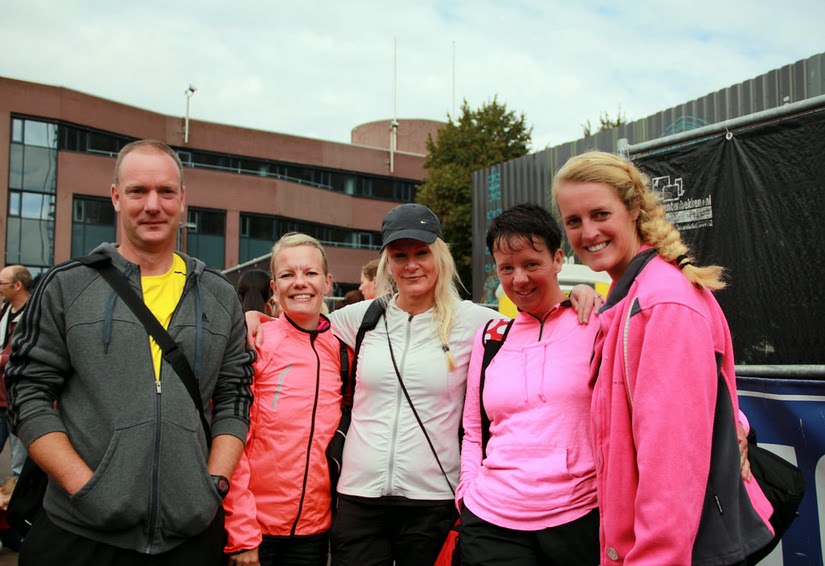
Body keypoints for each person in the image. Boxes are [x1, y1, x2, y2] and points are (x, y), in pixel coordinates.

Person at [246, 204, 599, 566]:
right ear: (388, 263)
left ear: (438, 256)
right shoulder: (361, 318)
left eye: (421, 253)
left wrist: (578, 295)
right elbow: (302, 327)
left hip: (433, 499)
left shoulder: (477, 321)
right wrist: (255, 319)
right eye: (400, 256)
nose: (411, 264)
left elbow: (534, 318)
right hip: (358, 497)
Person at [5, 139, 255, 566]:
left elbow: (234, 396)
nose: (153, 205)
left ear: (183, 200)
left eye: (166, 192)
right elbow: (27, 393)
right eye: (138, 191)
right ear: (117, 197)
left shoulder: (219, 295)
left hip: (189, 534)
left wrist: (212, 483)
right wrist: (85, 487)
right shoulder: (67, 286)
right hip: (79, 532)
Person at [552, 151, 774, 565]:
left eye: (601, 213)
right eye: (574, 221)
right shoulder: (634, 296)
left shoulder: (662, 303)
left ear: (634, 208)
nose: (588, 232)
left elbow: (671, 466)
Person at [458, 203, 600, 566]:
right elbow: (474, 430)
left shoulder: (596, 322)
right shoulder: (491, 337)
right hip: (491, 520)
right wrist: (468, 491)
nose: (519, 279)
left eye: (531, 264)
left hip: (580, 516)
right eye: (507, 268)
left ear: (557, 259)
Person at [224, 233, 345, 566]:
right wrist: (242, 531)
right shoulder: (255, 344)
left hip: (315, 534)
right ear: (274, 289)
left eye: (310, 273)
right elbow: (231, 441)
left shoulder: (341, 349)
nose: (300, 283)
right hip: (256, 532)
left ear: (327, 282)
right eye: (288, 275)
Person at [0, 265, 33, 476]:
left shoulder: (34, 313)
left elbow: (26, 352)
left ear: (17, 285)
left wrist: (2, 358)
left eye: (2, 284)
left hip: (19, 399)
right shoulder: (4, 311)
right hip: (0, 397)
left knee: (19, 464)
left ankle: (15, 506)